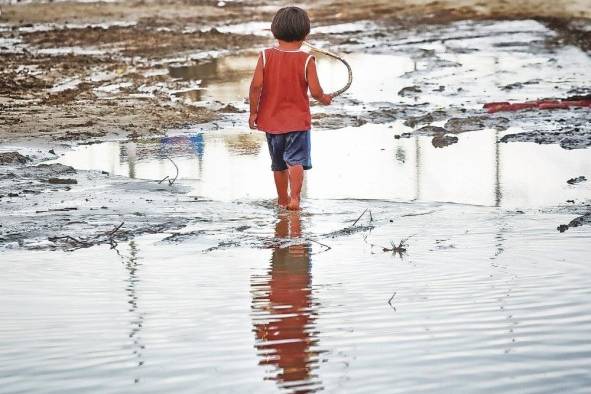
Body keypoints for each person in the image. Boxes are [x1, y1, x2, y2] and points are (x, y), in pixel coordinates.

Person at [249, 6, 332, 210]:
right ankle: (295, 199)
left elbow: (256, 86)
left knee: (277, 164)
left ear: (274, 31)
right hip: (297, 123)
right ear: (306, 34)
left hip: (271, 121)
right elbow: (315, 91)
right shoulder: (307, 59)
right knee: (295, 161)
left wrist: (253, 112)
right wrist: (325, 99)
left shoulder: (265, 56)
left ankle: (282, 199)